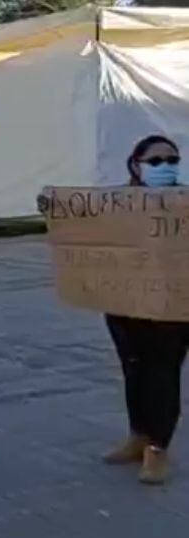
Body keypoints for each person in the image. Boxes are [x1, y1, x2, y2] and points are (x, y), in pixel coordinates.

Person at [39, 135, 187, 485]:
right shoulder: (116, 203)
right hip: (125, 308)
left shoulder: (182, 203)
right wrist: (52, 206)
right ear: (135, 165)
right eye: (155, 161)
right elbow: (81, 226)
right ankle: (137, 436)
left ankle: (157, 450)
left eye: (171, 159)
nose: (164, 166)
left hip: (172, 311)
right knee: (134, 371)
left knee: (163, 376)